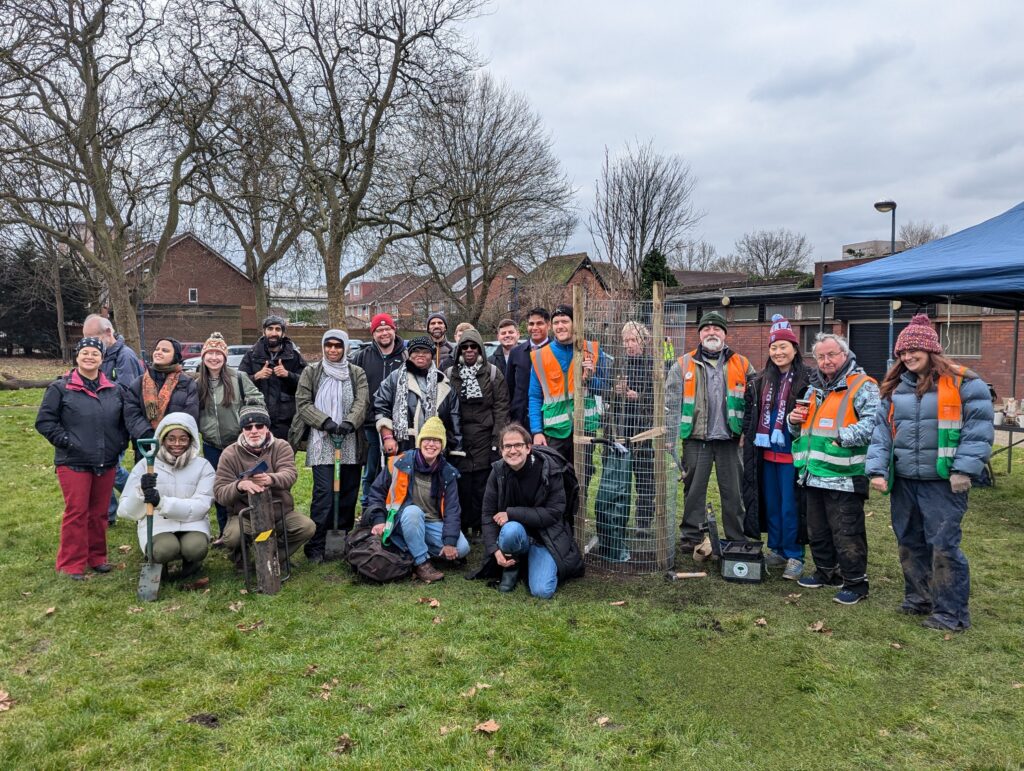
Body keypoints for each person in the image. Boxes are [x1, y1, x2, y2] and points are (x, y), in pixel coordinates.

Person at [866, 315, 993, 631]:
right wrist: (877, 469)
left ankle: (951, 613)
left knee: (943, 546)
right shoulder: (894, 388)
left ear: (931, 350)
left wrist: (964, 469)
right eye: (903, 353)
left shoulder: (966, 383)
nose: (908, 357)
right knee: (909, 542)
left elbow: (978, 430)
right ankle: (919, 598)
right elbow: (882, 432)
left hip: (943, 483)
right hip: (905, 481)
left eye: (914, 351)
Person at [789, 332, 879, 605]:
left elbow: (874, 422)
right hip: (813, 473)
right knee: (818, 529)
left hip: (844, 475)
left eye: (831, 355)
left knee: (847, 531)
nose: (826, 361)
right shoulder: (813, 390)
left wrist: (843, 437)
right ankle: (826, 571)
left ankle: (855, 582)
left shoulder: (863, 386)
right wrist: (792, 421)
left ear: (845, 355)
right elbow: (800, 429)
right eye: (820, 356)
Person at [35, 337, 129, 579]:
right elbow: (45, 422)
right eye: (85, 353)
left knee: (99, 513)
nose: (90, 357)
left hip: (105, 460)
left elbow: (122, 422)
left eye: (95, 354)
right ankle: (71, 564)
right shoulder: (60, 388)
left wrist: (119, 443)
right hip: (73, 461)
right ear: (77, 356)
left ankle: (97, 557)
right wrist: (67, 442)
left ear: (102, 358)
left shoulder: (114, 389)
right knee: (77, 512)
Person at [666, 311, 755, 545]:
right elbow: (671, 402)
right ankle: (692, 537)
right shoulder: (683, 364)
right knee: (694, 490)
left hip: (731, 439)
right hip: (696, 439)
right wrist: (670, 433)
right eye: (706, 329)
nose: (711, 332)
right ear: (700, 334)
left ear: (725, 334)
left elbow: (754, 402)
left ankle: (736, 537)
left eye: (717, 328)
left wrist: (747, 430)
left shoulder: (743, 364)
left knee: (733, 492)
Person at [290, 330, 370, 562]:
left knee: (348, 492)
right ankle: (316, 544)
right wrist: (324, 422)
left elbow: (362, 401)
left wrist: (348, 423)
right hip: (322, 441)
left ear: (345, 348)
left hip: (349, 440)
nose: (333, 350)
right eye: (329, 345)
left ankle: (342, 539)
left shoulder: (356, 373)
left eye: (337, 346)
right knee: (324, 494)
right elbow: (303, 403)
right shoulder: (312, 372)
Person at [479, 423, 584, 598]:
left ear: (529, 447)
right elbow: (488, 514)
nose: (513, 451)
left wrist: (511, 513)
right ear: (501, 450)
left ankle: (534, 563)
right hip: (515, 534)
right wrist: (494, 550)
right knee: (511, 529)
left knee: (542, 591)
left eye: (518, 445)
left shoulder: (550, 469)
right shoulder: (497, 471)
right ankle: (513, 566)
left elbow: (554, 512)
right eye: (507, 446)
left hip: (545, 537)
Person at [741, 315, 810, 580]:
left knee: (791, 505)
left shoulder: (806, 379)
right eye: (774, 347)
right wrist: (746, 436)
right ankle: (777, 549)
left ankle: (794, 554)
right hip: (765, 454)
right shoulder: (760, 380)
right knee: (771, 503)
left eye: (784, 347)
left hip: (793, 454)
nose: (779, 352)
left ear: (794, 349)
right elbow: (751, 414)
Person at [361, 416, 471, 582]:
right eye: (427, 439)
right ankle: (422, 562)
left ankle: (409, 549)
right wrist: (378, 520)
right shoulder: (399, 463)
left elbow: (452, 509)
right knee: (413, 511)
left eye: (436, 441)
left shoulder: (448, 472)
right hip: (400, 520)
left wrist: (449, 542)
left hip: (431, 522)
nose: (431, 444)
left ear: (442, 446)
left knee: (462, 548)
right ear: (420, 442)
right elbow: (376, 492)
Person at [117, 412, 214, 580]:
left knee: (196, 547)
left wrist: (161, 503)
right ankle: (158, 563)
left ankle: (192, 563)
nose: (177, 444)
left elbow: (202, 506)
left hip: (192, 523)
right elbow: (125, 511)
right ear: (162, 439)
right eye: (171, 438)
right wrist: (140, 492)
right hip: (158, 525)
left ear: (191, 440)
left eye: (183, 439)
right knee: (165, 549)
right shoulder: (145, 465)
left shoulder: (203, 466)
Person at [214, 404, 315, 565]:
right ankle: (242, 559)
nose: (254, 431)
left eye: (259, 425)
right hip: (245, 514)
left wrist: (270, 479)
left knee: (306, 527)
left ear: (267, 427)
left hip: (279, 512)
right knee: (232, 537)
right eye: (248, 427)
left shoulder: (281, 446)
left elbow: (290, 474)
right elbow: (219, 493)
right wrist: (240, 486)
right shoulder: (229, 453)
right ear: (242, 430)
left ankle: (274, 556)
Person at [193, 331, 264, 545]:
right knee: (220, 488)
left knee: (245, 483)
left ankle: (249, 526)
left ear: (224, 357)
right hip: (212, 445)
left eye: (218, 354)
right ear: (203, 357)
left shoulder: (238, 378)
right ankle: (225, 532)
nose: (214, 358)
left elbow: (257, 400)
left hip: (238, 444)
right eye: (210, 353)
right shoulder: (197, 383)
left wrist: (246, 419)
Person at [528, 305, 608, 471]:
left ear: (575, 323)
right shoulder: (540, 356)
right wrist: (536, 431)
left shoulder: (592, 350)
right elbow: (535, 397)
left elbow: (605, 389)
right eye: (556, 322)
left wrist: (590, 378)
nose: (560, 326)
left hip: (585, 427)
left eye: (565, 321)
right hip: (554, 432)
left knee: (583, 475)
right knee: (555, 476)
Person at [446, 328, 509, 539]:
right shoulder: (450, 374)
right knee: (461, 483)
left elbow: (501, 407)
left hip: (485, 434)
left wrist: (496, 438)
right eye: (465, 347)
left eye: (473, 346)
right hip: (459, 436)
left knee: (483, 482)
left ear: (480, 348)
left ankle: (483, 525)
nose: (469, 350)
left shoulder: (492, 373)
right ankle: (463, 524)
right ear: (459, 350)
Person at [81, 313, 144, 523]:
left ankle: (142, 497)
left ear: (108, 333)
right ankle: (107, 514)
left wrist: (96, 386)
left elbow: (129, 391)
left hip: (118, 424)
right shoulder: (101, 355)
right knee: (101, 467)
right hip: (99, 423)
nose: (88, 343)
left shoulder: (125, 356)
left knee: (111, 469)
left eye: (93, 337)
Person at [351, 313, 406, 510]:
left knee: (398, 466)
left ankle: (396, 505)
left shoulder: (405, 355)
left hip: (400, 424)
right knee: (371, 469)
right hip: (370, 424)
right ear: (373, 334)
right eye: (379, 330)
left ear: (394, 330)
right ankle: (368, 507)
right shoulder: (362, 357)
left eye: (387, 329)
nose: (384, 333)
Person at [374, 336, 463, 456]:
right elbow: (381, 407)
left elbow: (454, 418)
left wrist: (455, 449)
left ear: (432, 355)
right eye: (416, 351)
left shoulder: (443, 383)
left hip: (435, 451)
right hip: (403, 448)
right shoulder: (394, 379)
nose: (420, 355)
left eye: (425, 352)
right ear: (409, 354)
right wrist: (388, 437)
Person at [613, 321, 656, 536]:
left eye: (633, 340)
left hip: (644, 429)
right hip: (621, 428)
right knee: (619, 478)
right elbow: (606, 394)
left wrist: (638, 396)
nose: (629, 345)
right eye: (626, 341)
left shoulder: (652, 365)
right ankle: (618, 519)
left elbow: (659, 399)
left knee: (645, 477)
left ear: (644, 341)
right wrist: (617, 390)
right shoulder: (619, 364)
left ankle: (643, 523)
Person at [239, 315, 307, 440]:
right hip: (258, 419)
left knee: (282, 457)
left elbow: (307, 383)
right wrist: (256, 376)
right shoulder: (251, 355)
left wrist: (288, 375)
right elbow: (239, 383)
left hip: (285, 420)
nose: (274, 333)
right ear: (264, 331)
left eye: (278, 329)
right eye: (270, 329)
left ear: (283, 333)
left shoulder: (294, 356)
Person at [123, 337, 200, 441]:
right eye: (157, 349)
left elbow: (190, 413)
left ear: (175, 356)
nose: (158, 352)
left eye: (165, 350)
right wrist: (148, 435)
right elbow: (131, 413)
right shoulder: (138, 383)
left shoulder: (186, 383)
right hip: (146, 444)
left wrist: (170, 436)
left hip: (175, 445)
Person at [507, 308, 550, 426]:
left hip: (547, 416)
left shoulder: (555, 352)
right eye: (531, 324)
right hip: (520, 417)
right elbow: (509, 386)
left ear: (548, 325)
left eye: (539, 323)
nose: (534, 327)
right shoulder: (516, 352)